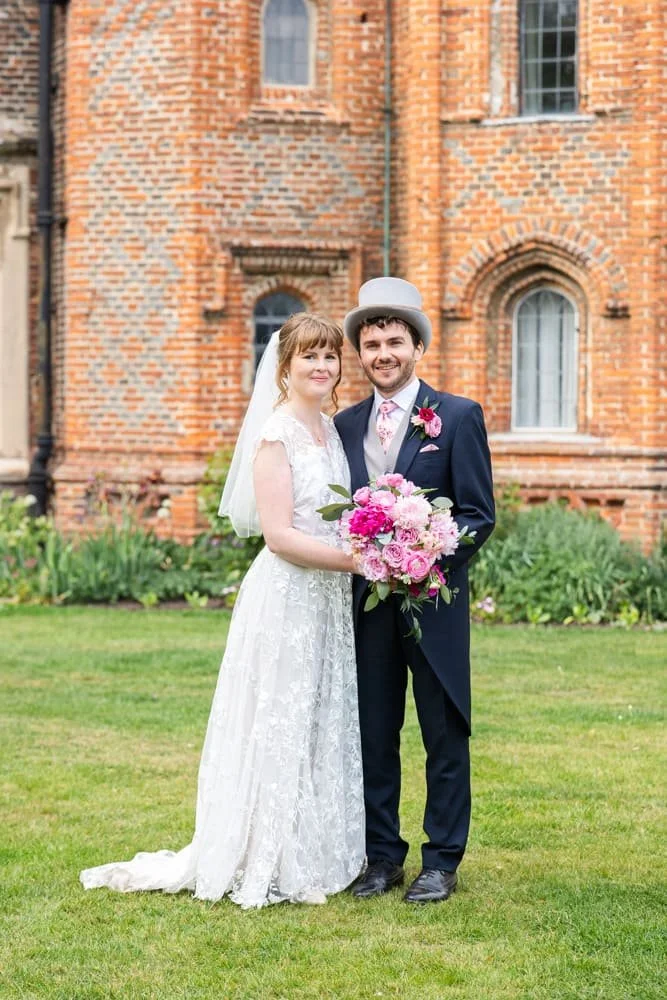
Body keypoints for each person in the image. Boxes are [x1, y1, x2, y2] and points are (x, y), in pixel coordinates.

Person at [80, 314, 365, 909]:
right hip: (289, 592)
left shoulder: (332, 431)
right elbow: (280, 537)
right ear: (283, 367)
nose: (322, 367)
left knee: (318, 713)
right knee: (278, 714)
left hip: (327, 598)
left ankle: (314, 846)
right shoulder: (276, 434)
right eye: (309, 356)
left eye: (331, 357)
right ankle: (264, 851)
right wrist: (360, 562)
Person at [334, 277, 495, 904]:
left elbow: (479, 515)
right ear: (361, 352)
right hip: (366, 606)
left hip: (434, 604)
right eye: (371, 343)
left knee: (442, 732)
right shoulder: (344, 427)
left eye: (394, 341)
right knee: (374, 731)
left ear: (417, 346)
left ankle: (442, 859)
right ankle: (381, 858)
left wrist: (425, 556)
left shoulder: (456, 417)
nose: (383, 353)